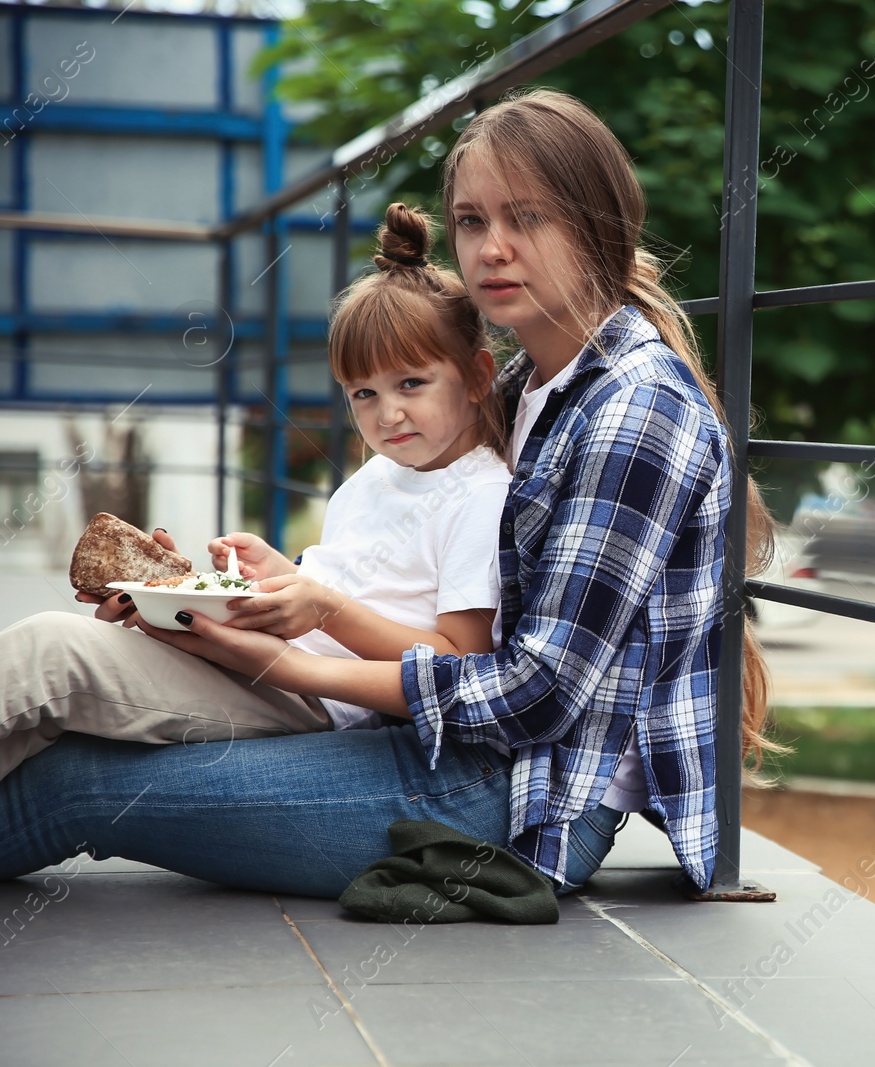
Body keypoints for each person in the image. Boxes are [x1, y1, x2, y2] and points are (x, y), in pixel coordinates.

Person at [0, 87, 778, 898]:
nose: (492, 248)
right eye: (473, 221)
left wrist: (284, 660)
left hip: (515, 798)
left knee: (76, 783)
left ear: (599, 226)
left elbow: (537, 694)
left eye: (528, 218)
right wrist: (212, 601)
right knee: (64, 693)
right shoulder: (525, 384)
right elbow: (398, 561)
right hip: (441, 740)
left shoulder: (633, 412)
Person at [0, 202, 512, 781]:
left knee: (52, 652)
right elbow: (354, 583)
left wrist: (322, 609)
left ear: (477, 377)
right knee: (44, 700)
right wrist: (267, 577)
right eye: (362, 393)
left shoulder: (481, 494)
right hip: (264, 663)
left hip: (313, 699)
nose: (387, 413)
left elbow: (462, 662)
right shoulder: (378, 475)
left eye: (411, 383)